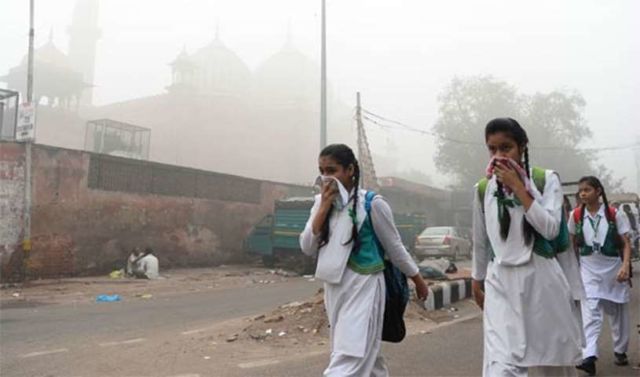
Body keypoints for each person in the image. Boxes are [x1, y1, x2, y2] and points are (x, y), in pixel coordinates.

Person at [300, 144, 429, 377]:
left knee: (351, 355)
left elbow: (395, 247)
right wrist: (323, 209)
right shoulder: (321, 204)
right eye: (322, 171)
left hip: (366, 286)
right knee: (365, 354)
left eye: (332, 170)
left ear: (350, 170)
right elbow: (307, 246)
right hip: (335, 287)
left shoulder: (372, 204)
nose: (326, 178)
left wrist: (417, 279)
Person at [472, 118, 584, 377]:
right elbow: (480, 241)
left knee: (550, 364)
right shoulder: (482, 189)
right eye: (492, 149)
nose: (499, 156)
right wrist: (477, 280)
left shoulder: (546, 180)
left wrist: (520, 189)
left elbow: (551, 229)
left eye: (506, 147)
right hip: (500, 283)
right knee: (501, 366)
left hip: (541, 283)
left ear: (522, 147)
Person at [568, 177, 632, 375]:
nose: (583, 194)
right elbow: (571, 244)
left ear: (598, 191)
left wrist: (625, 266)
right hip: (588, 269)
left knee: (617, 313)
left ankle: (620, 350)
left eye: (587, 190)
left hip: (613, 269)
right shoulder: (576, 215)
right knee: (591, 311)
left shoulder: (614, 214)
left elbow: (625, 243)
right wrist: (571, 270)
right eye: (580, 191)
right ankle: (589, 356)